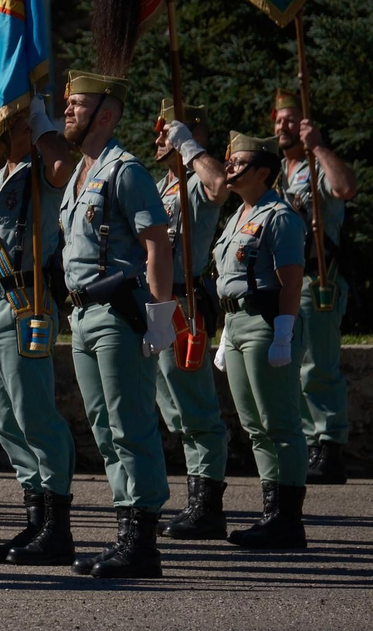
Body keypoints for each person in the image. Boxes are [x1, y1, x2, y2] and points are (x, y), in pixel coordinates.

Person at [58, 71, 175, 579]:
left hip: (116, 314)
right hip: (82, 313)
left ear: (104, 115)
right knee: (105, 429)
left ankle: (143, 543)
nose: (67, 110)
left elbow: (157, 244)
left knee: (130, 425)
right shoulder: (80, 174)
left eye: (77, 104)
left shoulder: (125, 171)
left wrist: (160, 313)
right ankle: (126, 529)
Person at [0, 96, 78, 565]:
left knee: (34, 415)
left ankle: (56, 527)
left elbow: (63, 166)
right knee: (3, 421)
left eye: (16, 123)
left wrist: (43, 122)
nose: (4, 130)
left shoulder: (39, 175)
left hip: (21, 306)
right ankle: (35, 517)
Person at [212, 133, 310, 548]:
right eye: (229, 162)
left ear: (263, 172)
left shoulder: (279, 216)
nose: (230, 168)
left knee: (280, 422)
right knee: (254, 425)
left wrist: (284, 332)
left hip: (267, 322)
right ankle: (271, 514)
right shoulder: (238, 214)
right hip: (236, 324)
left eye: (239, 163)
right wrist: (225, 333)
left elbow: (291, 281)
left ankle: (288, 520)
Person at [151, 102, 232, 539]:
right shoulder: (162, 187)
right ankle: (196, 496)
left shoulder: (197, 182)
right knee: (174, 410)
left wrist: (190, 147)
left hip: (185, 306)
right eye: (162, 132)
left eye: (168, 131)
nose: (159, 138)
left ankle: (208, 506)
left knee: (196, 408)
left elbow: (220, 186)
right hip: (159, 305)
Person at [273, 90, 358, 485]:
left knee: (317, 367)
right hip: (284, 280)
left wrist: (319, 147)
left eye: (291, 120)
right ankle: (309, 443)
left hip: (317, 277)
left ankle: (329, 445)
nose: (283, 127)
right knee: (291, 366)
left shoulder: (316, 165)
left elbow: (345, 189)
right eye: (279, 120)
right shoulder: (276, 172)